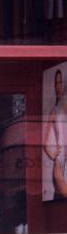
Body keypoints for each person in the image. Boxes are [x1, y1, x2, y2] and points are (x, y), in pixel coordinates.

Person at [43, 68, 67, 198]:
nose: (59, 86)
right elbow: (45, 144)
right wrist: (54, 156)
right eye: (56, 83)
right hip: (59, 164)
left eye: (61, 82)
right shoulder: (54, 112)